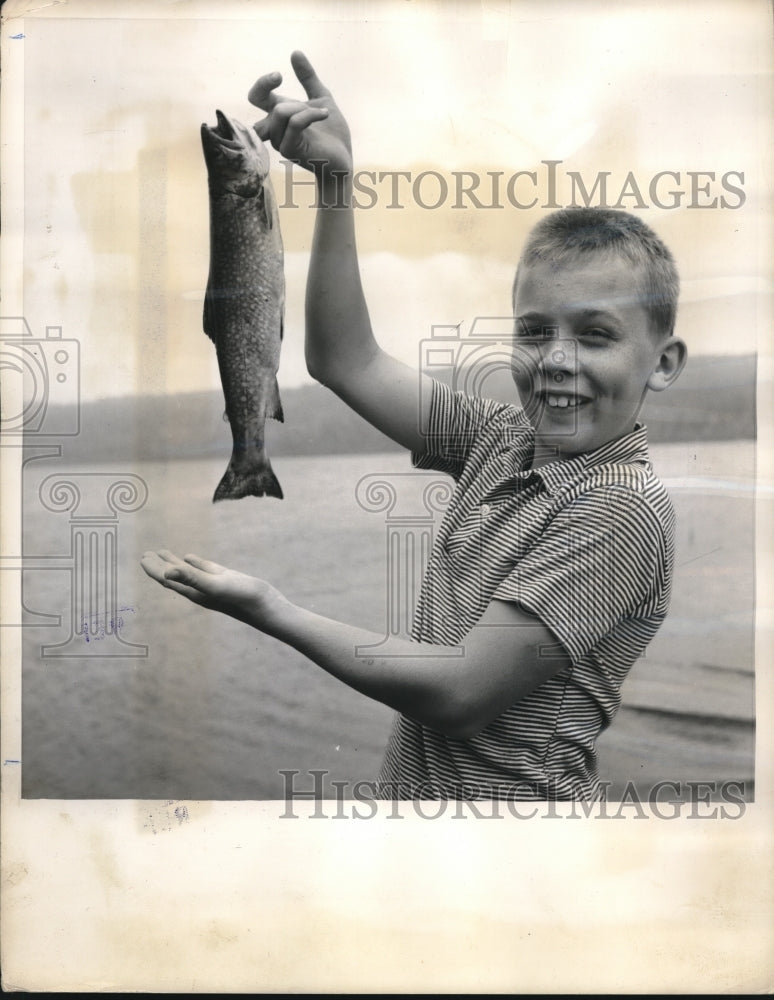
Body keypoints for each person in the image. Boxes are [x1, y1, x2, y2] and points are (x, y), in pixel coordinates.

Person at [141, 51, 687, 801]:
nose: (557, 359)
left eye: (594, 335)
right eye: (534, 332)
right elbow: (347, 360)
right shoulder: (500, 442)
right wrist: (336, 182)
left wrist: (272, 609)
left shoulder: (618, 509)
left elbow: (459, 694)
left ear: (663, 362)